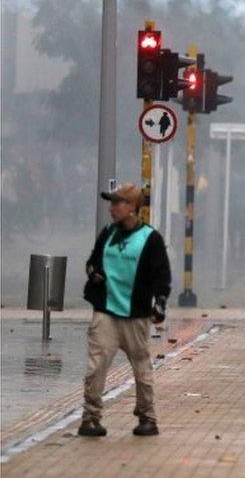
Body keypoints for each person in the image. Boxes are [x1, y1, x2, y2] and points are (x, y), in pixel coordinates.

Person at [79, 183, 171, 437]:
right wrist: (93, 273)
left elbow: (161, 276)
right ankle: (90, 418)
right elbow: (92, 262)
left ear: (132, 207)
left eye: (117, 203)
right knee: (96, 366)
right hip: (106, 312)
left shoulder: (150, 239)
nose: (111, 208)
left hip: (136, 315)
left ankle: (147, 417)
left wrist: (159, 303)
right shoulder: (107, 233)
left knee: (142, 368)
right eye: (111, 203)